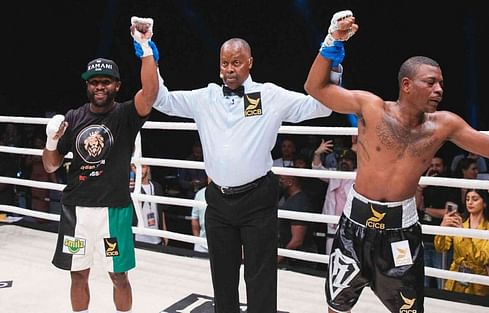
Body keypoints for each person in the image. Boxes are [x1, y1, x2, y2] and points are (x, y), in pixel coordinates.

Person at [304, 10, 489, 313]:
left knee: (408, 310)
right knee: (337, 306)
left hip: (401, 233)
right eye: (431, 82)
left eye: (441, 84)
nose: (439, 90)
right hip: (354, 227)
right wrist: (332, 42)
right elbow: (315, 88)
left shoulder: (444, 125)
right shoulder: (372, 108)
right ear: (407, 85)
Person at [146, 19, 346, 312]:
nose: (229, 69)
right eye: (224, 63)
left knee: (261, 275)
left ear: (250, 63)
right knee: (222, 276)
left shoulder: (270, 95)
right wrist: (147, 52)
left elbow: (321, 107)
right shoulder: (205, 98)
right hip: (218, 200)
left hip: (257, 198)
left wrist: (333, 64)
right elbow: (161, 99)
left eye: (236, 62)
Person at [41, 17, 159, 313]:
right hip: (76, 210)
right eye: (94, 82)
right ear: (87, 86)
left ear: (117, 85)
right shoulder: (74, 117)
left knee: (119, 276)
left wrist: (144, 47)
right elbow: (51, 166)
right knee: (78, 274)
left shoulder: (125, 116)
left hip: (114, 211)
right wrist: (51, 141)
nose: (99, 87)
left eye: (105, 81)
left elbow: (151, 93)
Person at [434, 189, 489, 296]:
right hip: (454, 279)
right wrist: (442, 228)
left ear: (485, 203)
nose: (470, 202)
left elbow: (481, 259)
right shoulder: (459, 223)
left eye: (475, 199)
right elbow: (441, 248)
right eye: (467, 199)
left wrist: (463, 233)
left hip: (478, 283)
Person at [415, 155, 460, 289]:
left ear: (444, 167)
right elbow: (416, 206)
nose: (434, 169)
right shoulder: (424, 185)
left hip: (441, 242)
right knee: (423, 281)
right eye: (432, 165)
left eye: (438, 165)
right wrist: (420, 188)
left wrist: (426, 209)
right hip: (424, 239)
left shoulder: (449, 185)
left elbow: (449, 212)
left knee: (442, 281)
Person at [311, 139, 356, 255]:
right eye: (341, 159)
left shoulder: (358, 174)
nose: (344, 162)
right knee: (330, 253)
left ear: (354, 163)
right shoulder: (333, 173)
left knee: (350, 253)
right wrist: (317, 153)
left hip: (350, 221)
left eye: (348, 160)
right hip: (332, 220)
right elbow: (316, 169)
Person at [277, 171, 318, 272]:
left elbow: (297, 240)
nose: (279, 182)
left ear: (291, 182)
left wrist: (278, 258)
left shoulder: (300, 203)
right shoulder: (289, 199)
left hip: (298, 261)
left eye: (282, 179)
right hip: (290, 257)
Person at [131, 164, 168, 246]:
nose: (140, 170)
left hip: (156, 237)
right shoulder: (132, 189)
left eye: (143, 167)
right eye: (136, 167)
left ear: (148, 168)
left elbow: (161, 212)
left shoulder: (156, 187)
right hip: (139, 238)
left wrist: (164, 233)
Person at [191, 177, 210, 254]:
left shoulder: (227, 194)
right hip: (202, 244)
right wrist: (197, 240)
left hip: (222, 244)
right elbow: (194, 219)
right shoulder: (200, 194)